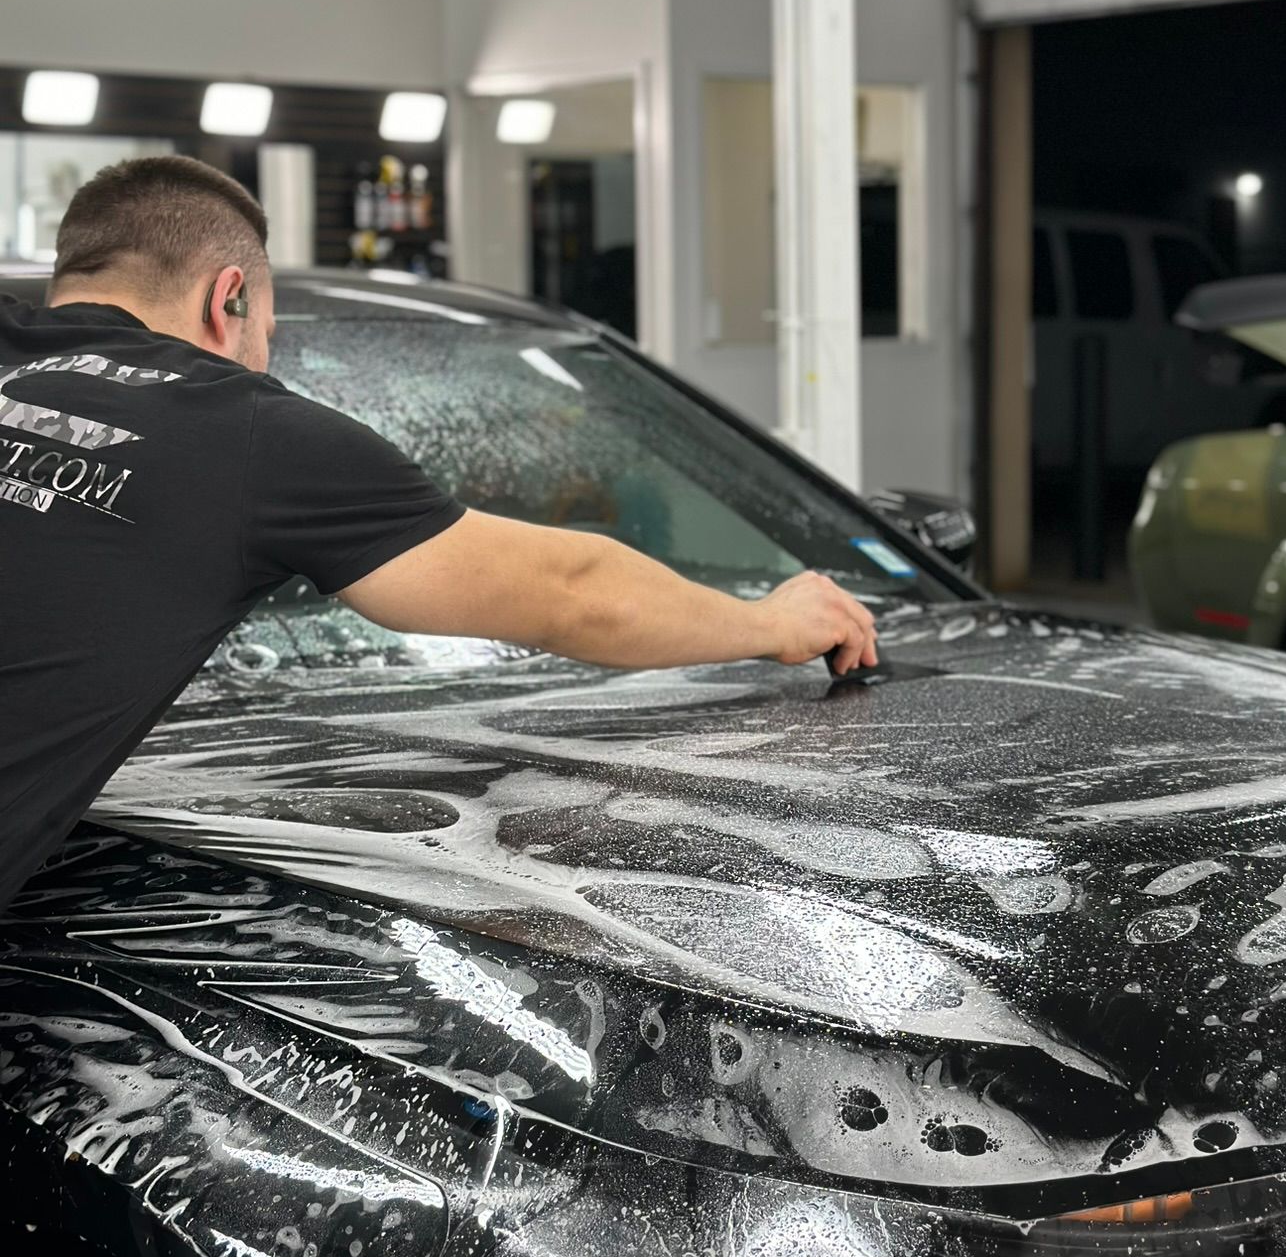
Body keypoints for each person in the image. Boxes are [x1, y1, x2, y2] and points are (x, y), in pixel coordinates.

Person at [0, 154, 878, 914]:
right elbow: (569, 591)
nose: (261, 361)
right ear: (227, 299)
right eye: (267, 337)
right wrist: (769, 623)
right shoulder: (245, 431)